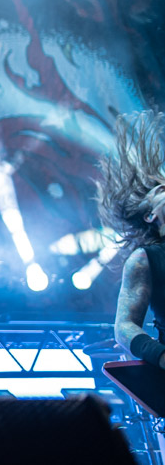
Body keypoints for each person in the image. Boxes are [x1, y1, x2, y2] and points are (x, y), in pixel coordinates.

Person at [98, 110, 165, 367]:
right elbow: (125, 326)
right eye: (161, 190)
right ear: (150, 215)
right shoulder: (146, 259)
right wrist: (159, 355)